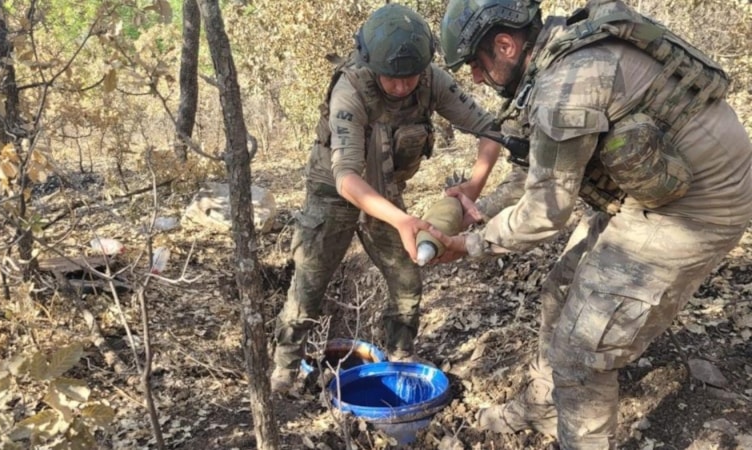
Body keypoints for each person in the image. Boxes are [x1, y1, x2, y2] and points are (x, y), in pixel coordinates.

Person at [434, 0, 752, 448]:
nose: (477, 79)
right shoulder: (557, 55)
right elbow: (536, 173)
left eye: (476, 65)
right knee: (560, 289)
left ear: (504, 44)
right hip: (656, 193)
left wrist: (468, 245)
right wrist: (478, 203)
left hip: (696, 209)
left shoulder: (569, 82)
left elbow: (547, 213)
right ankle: (546, 405)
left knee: (582, 355)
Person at [269, 3, 505, 393]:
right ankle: (285, 368)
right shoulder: (351, 88)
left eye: (409, 77)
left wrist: (473, 188)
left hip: (387, 194)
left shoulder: (432, 81)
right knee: (310, 284)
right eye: (391, 78)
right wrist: (401, 220)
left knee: (408, 277)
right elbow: (344, 176)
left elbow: (490, 129)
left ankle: (400, 353)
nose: (400, 87)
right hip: (334, 194)